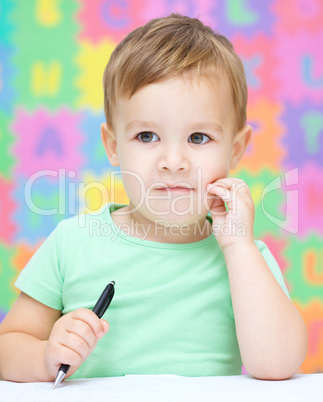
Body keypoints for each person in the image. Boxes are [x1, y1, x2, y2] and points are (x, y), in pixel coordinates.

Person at [0, 13, 307, 383]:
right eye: (147, 136)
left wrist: (238, 248)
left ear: (236, 148)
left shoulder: (244, 259)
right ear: (113, 147)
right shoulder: (72, 243)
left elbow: (278, 366)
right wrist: (43, 357)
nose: (173, 162)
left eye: (198, 138)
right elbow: (8, 348)